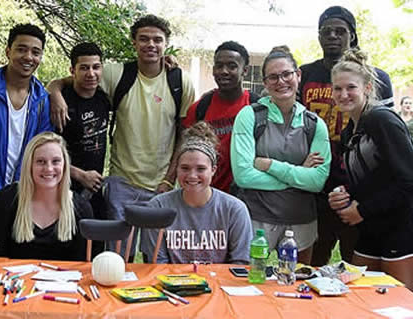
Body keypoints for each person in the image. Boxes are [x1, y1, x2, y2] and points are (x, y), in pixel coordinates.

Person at [48, 14, 195, 260]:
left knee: (157, 258)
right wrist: (54, 90)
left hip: (161, 186)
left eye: (157, 40)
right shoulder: (118, 74)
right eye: (144, 39)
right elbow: (80, 76)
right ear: (133, 43)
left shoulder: (180, 81)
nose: (151, 45)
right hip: (121, 183)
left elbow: (184, 135)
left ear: (166, 43)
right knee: (116, 257)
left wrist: (170, 180)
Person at [329, 49, 413, 295]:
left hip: (404, 230)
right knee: (360, 302)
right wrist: (342, 194)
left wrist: (361, 210)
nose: (343, 94)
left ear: (367, 87)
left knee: (398, 307)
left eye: (350, 87)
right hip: (370, 231)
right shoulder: (349, 131)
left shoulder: (382, 121)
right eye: (337, 89)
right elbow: (373, 177)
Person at [298, 6, 395, 266]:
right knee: (311, 265)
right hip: (316, 185)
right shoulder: (303, 74)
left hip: (360, 185)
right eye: (326, 31)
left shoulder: (377, 78)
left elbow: (388, 138)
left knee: (356, 268)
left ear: (352, 35)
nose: (332, 36)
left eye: (339, 31)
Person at [231, 46, 331, 265]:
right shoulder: (250, 116)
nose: (281, 81)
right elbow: (244, 176)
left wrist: (269, 165)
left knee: (296, 288)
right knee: (252, 283)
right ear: (265, 82)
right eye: (273, 77)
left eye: (287, 74)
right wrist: (299, 175)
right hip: (257, 218)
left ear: (298, 75)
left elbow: (316, 181)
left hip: (301, 219)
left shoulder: (314, 124)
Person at [0, 23, 53, 235]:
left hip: (20, 202)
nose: (28, 57)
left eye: (35, 52)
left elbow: (41, 152)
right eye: (21, 49)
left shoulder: (41, 99)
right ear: (8, 51)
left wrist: (22, 198)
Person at [141, 122, 253, 264]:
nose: (192, 175)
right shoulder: (157, 208)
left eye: (200, 169)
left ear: (213, 170)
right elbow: (156, 263)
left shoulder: (234, 210)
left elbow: (240, 263)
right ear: (176, 169)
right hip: (170, 283)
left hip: (219, 283)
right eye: (185, 168)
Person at [0, 132, 95, 261]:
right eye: (41, 162)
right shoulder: (7, 199)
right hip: (15, 280)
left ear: (65, 165)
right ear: (29, 165)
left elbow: (84, 266)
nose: (49, 169)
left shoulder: (81, 208)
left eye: (56, 161)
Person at [181, 40, 259, 194]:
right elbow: (184, 148)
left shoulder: (256, 106)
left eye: (232, 66)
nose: (224, 71)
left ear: (244, 71)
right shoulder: (200, 108)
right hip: (207, 195)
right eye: (219, 65)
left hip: (247, 196)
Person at [56, 42, 111, 219]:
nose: (91, 74)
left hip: (94, 188)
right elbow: (45, 152)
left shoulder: (104, 98)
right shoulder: (60, 104)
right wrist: (79, 175)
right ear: (72, 70)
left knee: (97, 243)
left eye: (96, 67)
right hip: (63, 189)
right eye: (84, 68)